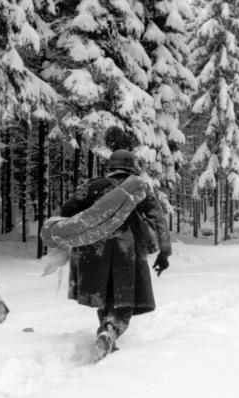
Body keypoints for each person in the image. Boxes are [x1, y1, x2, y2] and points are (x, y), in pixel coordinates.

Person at [62, 128, 171, 360]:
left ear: (110, 166)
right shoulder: (139, 188)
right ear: (132, 166)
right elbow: (159, 219)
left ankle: (105, 330)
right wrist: (165, 252)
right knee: (124, 300)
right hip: (126, 250)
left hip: (93, 249)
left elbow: (67, 210)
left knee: (104, 295)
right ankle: (110, 331)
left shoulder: (92, 186)